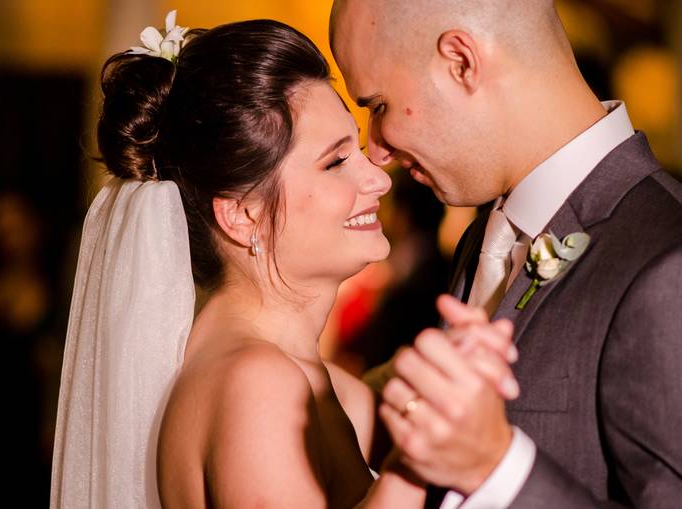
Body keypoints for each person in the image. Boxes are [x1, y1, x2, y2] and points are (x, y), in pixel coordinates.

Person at [50, 13, 517, 509]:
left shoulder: (312, 379)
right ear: (243, 215)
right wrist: (417, 459)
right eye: (335, 162)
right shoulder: (257, 384)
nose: (379, 179)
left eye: (359, 150)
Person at [329, 0, 682, 507]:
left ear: (461, 62)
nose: (376, 150)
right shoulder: (487, 236)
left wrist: (497, 470)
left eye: (379, 106)